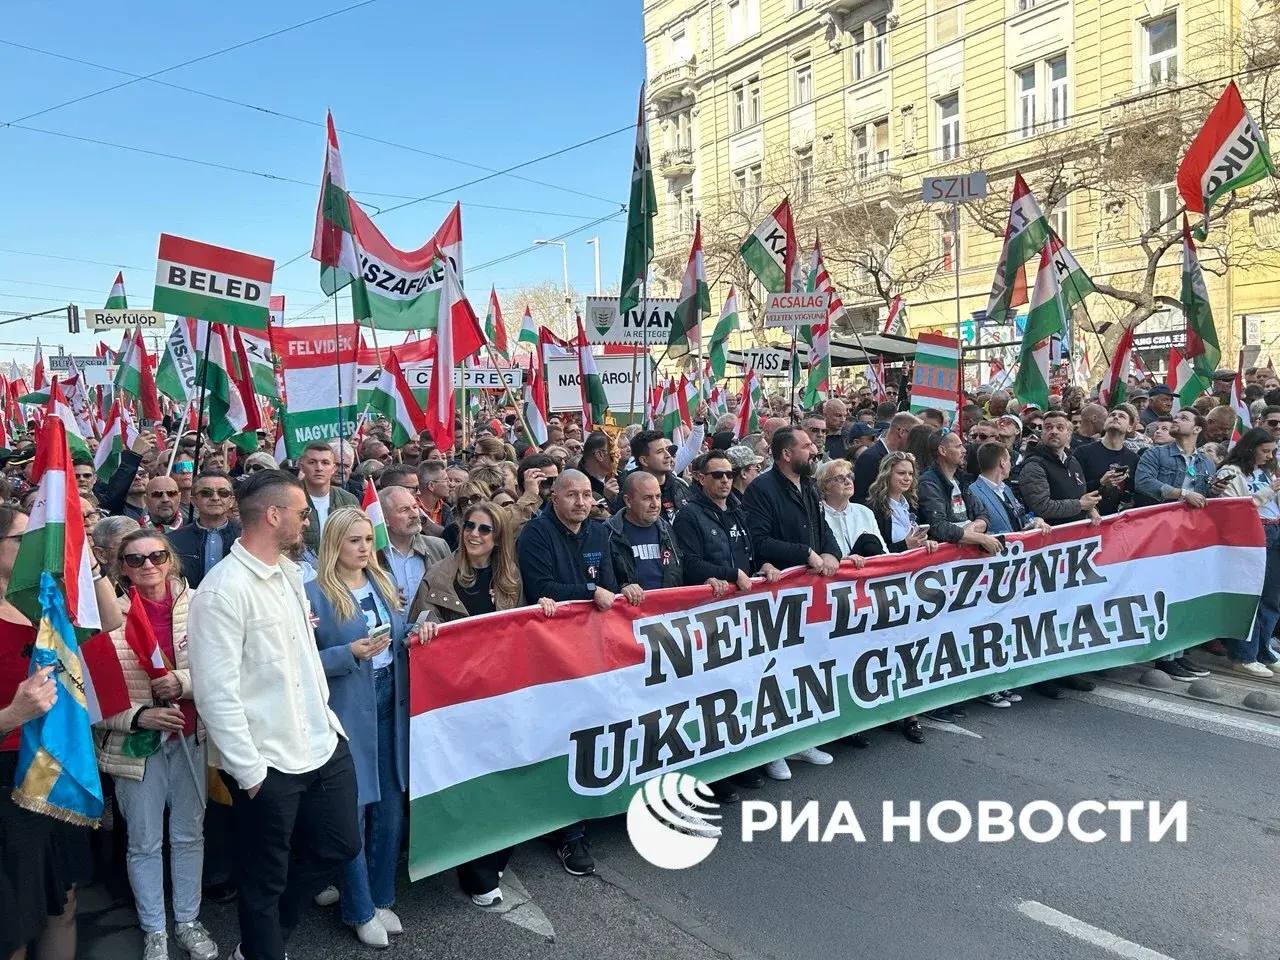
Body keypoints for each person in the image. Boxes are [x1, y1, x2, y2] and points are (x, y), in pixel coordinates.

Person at [188, 470, 360, 960]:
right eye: (302, 514)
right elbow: (215, 694)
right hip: (266, 762)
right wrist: (249, 771)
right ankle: (262, 948)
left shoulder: (289, 574)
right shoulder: (221, 592)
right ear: (273, 515)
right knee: (264, 878)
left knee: (340, 845)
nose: (307, 522)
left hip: (322, 743)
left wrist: (329, 722)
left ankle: (271, 934)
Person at [411, 501, 557, 905]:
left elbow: (525, 626)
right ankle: (476, 874)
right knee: (473, 784)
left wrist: (542, 608)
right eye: (469, 527)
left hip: (504, 695)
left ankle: (495, 856)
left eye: (484, 529)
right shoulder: (438, 576)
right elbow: (420, 625)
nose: (474, 534)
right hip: (460, 700)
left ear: (498, 538)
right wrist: (426, 628)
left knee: (507, 779)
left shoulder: (511, 577)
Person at [98, 530, 217, 960]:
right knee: (143, 843)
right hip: (137, 749)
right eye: (135, 559)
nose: (148, 565)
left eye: (156, 555)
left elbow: (228, 669)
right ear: (122, 568)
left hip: (191, 738)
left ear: (171, 559)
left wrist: (182, 683)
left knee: (189, 835)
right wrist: (139, 717)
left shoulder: (203, 605)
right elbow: (91, 698)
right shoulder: (107, 617)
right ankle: (155, 931)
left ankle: (188, 921)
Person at [305, 508, 410, 948]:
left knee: (390, 805)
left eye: (368, 539)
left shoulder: (382, 581)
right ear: (334, 544)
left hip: (390, 701)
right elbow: (302, 661)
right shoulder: (314, 594)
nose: (364, 548)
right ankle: (360, 909)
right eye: (354, 540)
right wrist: (348, 653)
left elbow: (396, 633)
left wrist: (420, 628)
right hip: (347, 709)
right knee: (355, 811)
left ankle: (381, 897)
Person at [741, 427, 839, 778]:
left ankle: (800, 740)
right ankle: (773, 749)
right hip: (776, 597)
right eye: (807, 445)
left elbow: (822, 529)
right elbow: (758, 541)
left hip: (808, 596)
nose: (814, 450)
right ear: (786, 454)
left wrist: (832, 553)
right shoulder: (762, 490)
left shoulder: (808, 486)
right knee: (774, 672)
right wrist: (805, 554)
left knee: (804, 668)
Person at [863, 454, 938, 742]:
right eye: (900, 473)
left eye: (909, 473)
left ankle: (911, 714)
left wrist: (925, 544)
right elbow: (875, 553)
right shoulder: (874, 508)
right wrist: (905, 545)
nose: (906, 478)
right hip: (885, 589)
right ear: (887, 474)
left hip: (911, 586)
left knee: (910, 648)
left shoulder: (910, 505)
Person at [1212, 427, 1280, 677]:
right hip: (1250, 535)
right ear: (1250, 449)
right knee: (1250, 596)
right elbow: (1236, 507)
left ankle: (1264, 651)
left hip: (1274, 530)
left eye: (1272, 452)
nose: (1269, 456)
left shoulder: (1266, 471)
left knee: (1271, 597)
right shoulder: (1230, 472)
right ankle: (1244, 655)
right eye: (1265, 451)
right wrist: (1270, 490)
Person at [916, 431, 1003, 554]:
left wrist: (972, 529)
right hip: (948, 556)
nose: (964, 450)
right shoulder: (928, 483)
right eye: (958, 446)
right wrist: (980, 538)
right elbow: (939, 526)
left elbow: (983, 514)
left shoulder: (961, 479)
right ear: (943, 451)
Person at [1017, 412, 1102, 526]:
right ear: (1042, 434)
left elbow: (1081, 495)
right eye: (1048, 427)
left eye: (1060, 428)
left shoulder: (1073, 461)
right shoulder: (1034, 466)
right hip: (1049, 535)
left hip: (1077, 533)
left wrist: (1091, 509)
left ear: (1068, 434)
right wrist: (1080, 505)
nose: (1054, 431)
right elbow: (1042, 507)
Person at [606, 472, 684, 591]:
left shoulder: (667, 529)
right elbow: (601, 581)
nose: (655, 504)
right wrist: (622, 588)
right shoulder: (608, 533)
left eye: (658, 497)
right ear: (628, 501)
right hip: (629, 603)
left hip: (668, 601)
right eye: (647, 498)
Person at [378, 485, 449, 609]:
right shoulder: (372, 555)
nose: (414, 514)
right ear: (385, 519)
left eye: (415, 507)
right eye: (404, 510)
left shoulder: (438, 547)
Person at [168, 471, 240, 589]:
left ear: (231, 501)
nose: (215, 498)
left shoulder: (246, 537)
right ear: (193, 501)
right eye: (206, 493)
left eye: (223, 493)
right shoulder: (172, 541)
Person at [1135, 410, 1216, 509]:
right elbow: (1143, 483)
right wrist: (1183, 494)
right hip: (1161, 516)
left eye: (1183, 418)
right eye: (1176, 417)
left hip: (1193, 517)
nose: (1175, 420)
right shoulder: (1154, 453)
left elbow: (1206, 497)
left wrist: (1215, 491)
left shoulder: (1207, 463)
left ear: (1197, 429)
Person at [966, 443, 1050, 536]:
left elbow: (1020, 516)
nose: (1011, 464)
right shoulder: (972, 492)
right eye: (1009, 460)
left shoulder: (1006, 489)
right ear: (1002, 463)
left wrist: (1035, 520)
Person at [816, 459, 886, 557]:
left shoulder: (865, 512)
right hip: (835, 566)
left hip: (869, 566)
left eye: (849, 476)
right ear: (825, 486)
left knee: (869, 540)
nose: (848, 481)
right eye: (840, 478)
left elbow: (884, 553)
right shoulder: (816, 515)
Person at [299, 442, 359, 554]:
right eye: (312, 462)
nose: (319, 468)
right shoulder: (290, 498)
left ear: (333, 468)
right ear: (302, 467)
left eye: (325, 463)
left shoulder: (349, 500)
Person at [853, 411, 919, 503]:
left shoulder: (902, 457)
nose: (916, 441)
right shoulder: (870, 457)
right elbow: (859, 497)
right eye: (914, 436)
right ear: (902, 432)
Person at [629, 430, 690, 523]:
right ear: (644, 460)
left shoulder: (680, 486)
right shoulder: (630, 489)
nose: (668, 455)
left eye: (667, 449)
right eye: (660, 452)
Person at [580, 431, 621, 513]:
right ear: (600, 455)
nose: (619, 456)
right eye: (615, 453)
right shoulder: (577, 482)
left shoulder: (621, 476)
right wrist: (606, 498)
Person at [416, 462, 455, 537]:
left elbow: (450, 538)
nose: (451, 484)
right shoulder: (411, 508)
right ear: (431, 485)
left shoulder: (446, 508)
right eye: (446, 480)